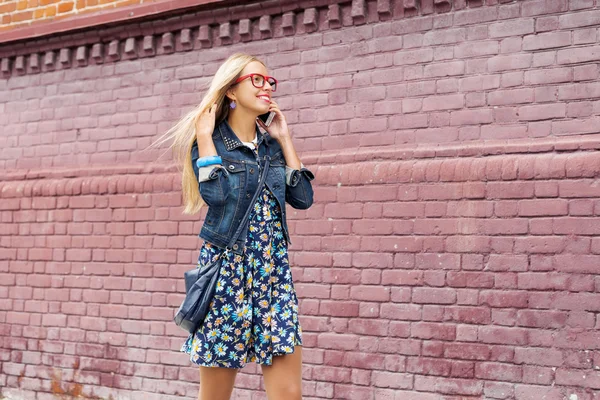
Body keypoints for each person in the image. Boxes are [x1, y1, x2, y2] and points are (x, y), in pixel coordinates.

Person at [158, 53, 315, 400]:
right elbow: (216, 195)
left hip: (273, 274)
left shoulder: (271, 147)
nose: (266, 87)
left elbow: (303, 197)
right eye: (256, 80)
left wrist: (285, 139)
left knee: (288, 392)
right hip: (228, 275)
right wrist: (205, 136)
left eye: (269, 81)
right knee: (216, 394)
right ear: (231, 91)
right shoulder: (210, 145)